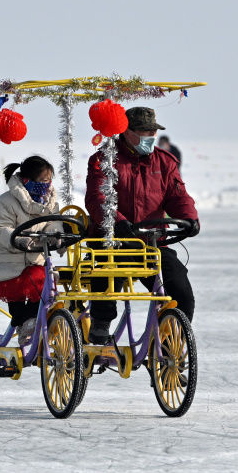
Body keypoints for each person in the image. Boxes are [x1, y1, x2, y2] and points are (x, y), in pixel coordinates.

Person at [84, 107, 199, 344]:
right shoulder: (104, 160)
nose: (150, 136)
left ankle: (172, 343)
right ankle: (100, 324)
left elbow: (178, 195)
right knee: (106, 272)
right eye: (144, 131)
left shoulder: (165, 162)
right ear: (126, 131)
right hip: (114, 240)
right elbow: (98, 199)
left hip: (151, 243)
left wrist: (190, 218)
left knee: (181, 289)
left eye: (153, 131)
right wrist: (119, 222)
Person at [0, 155, 60, 346]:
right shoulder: (4, 202)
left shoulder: (49, 203)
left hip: (34, 260)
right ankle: (24, 321)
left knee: (48, 281)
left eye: (49, 181)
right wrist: (19, 239)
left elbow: (53, 224)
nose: (47, 186)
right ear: (27, 180)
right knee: (35, 281)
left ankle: (31, 321)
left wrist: (56, 236)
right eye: (43, 181)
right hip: (5, 260)